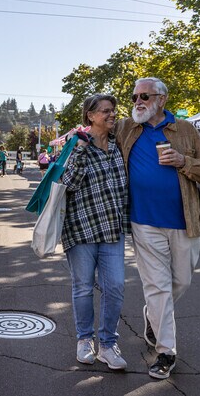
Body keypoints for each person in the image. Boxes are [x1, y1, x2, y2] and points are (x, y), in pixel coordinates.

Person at [115, 77, 200, 379]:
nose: (137, 102)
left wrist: (183, 160)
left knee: (181, 281)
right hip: (143, 222)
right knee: (157, 287)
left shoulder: (185, 129)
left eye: (144, 96)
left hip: (183, 221)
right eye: (134, 96)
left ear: (162, 99)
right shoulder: (126, 127)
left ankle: (153, 314)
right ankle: (165, 351)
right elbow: (96, 127)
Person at [61, 94, 130, 370]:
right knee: (83, 288)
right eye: (105, 111)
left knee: (115, 287)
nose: (112, 115)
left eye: (113, 111)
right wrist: (79, 150)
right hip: (81, 229)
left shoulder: (119, 145)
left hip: (113, 228)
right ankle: (84, 340)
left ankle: (108, 344)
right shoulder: (76, 144)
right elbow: (69, 183)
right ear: (90, 116)